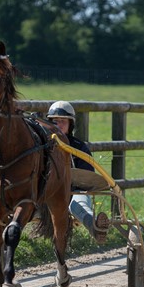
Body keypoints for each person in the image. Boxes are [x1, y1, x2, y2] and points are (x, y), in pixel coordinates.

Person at [47, 101, 110, 243]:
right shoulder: (43, 146)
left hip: (76, 192)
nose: (58, 125)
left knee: (77, 205)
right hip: (49, 194)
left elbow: (87, 176)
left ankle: (95, 227)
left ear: (71, 125)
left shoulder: (79, 147)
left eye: (63, 121)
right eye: (55, 121)